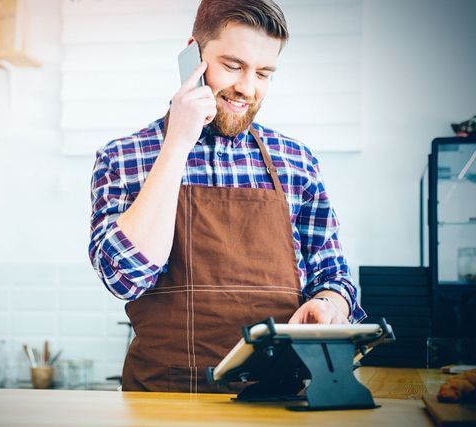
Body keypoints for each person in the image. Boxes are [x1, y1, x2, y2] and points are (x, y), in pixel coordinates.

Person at [88, 0, 366, 393]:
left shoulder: (296, 162)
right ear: (193, 55)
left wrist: (331, 305)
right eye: (233, 66)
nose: (247, 88)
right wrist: (177, 145)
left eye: (264, 73)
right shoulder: (124, 158)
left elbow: (333, 274)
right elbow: (125, 278)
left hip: (279, 403)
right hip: (164, 405)